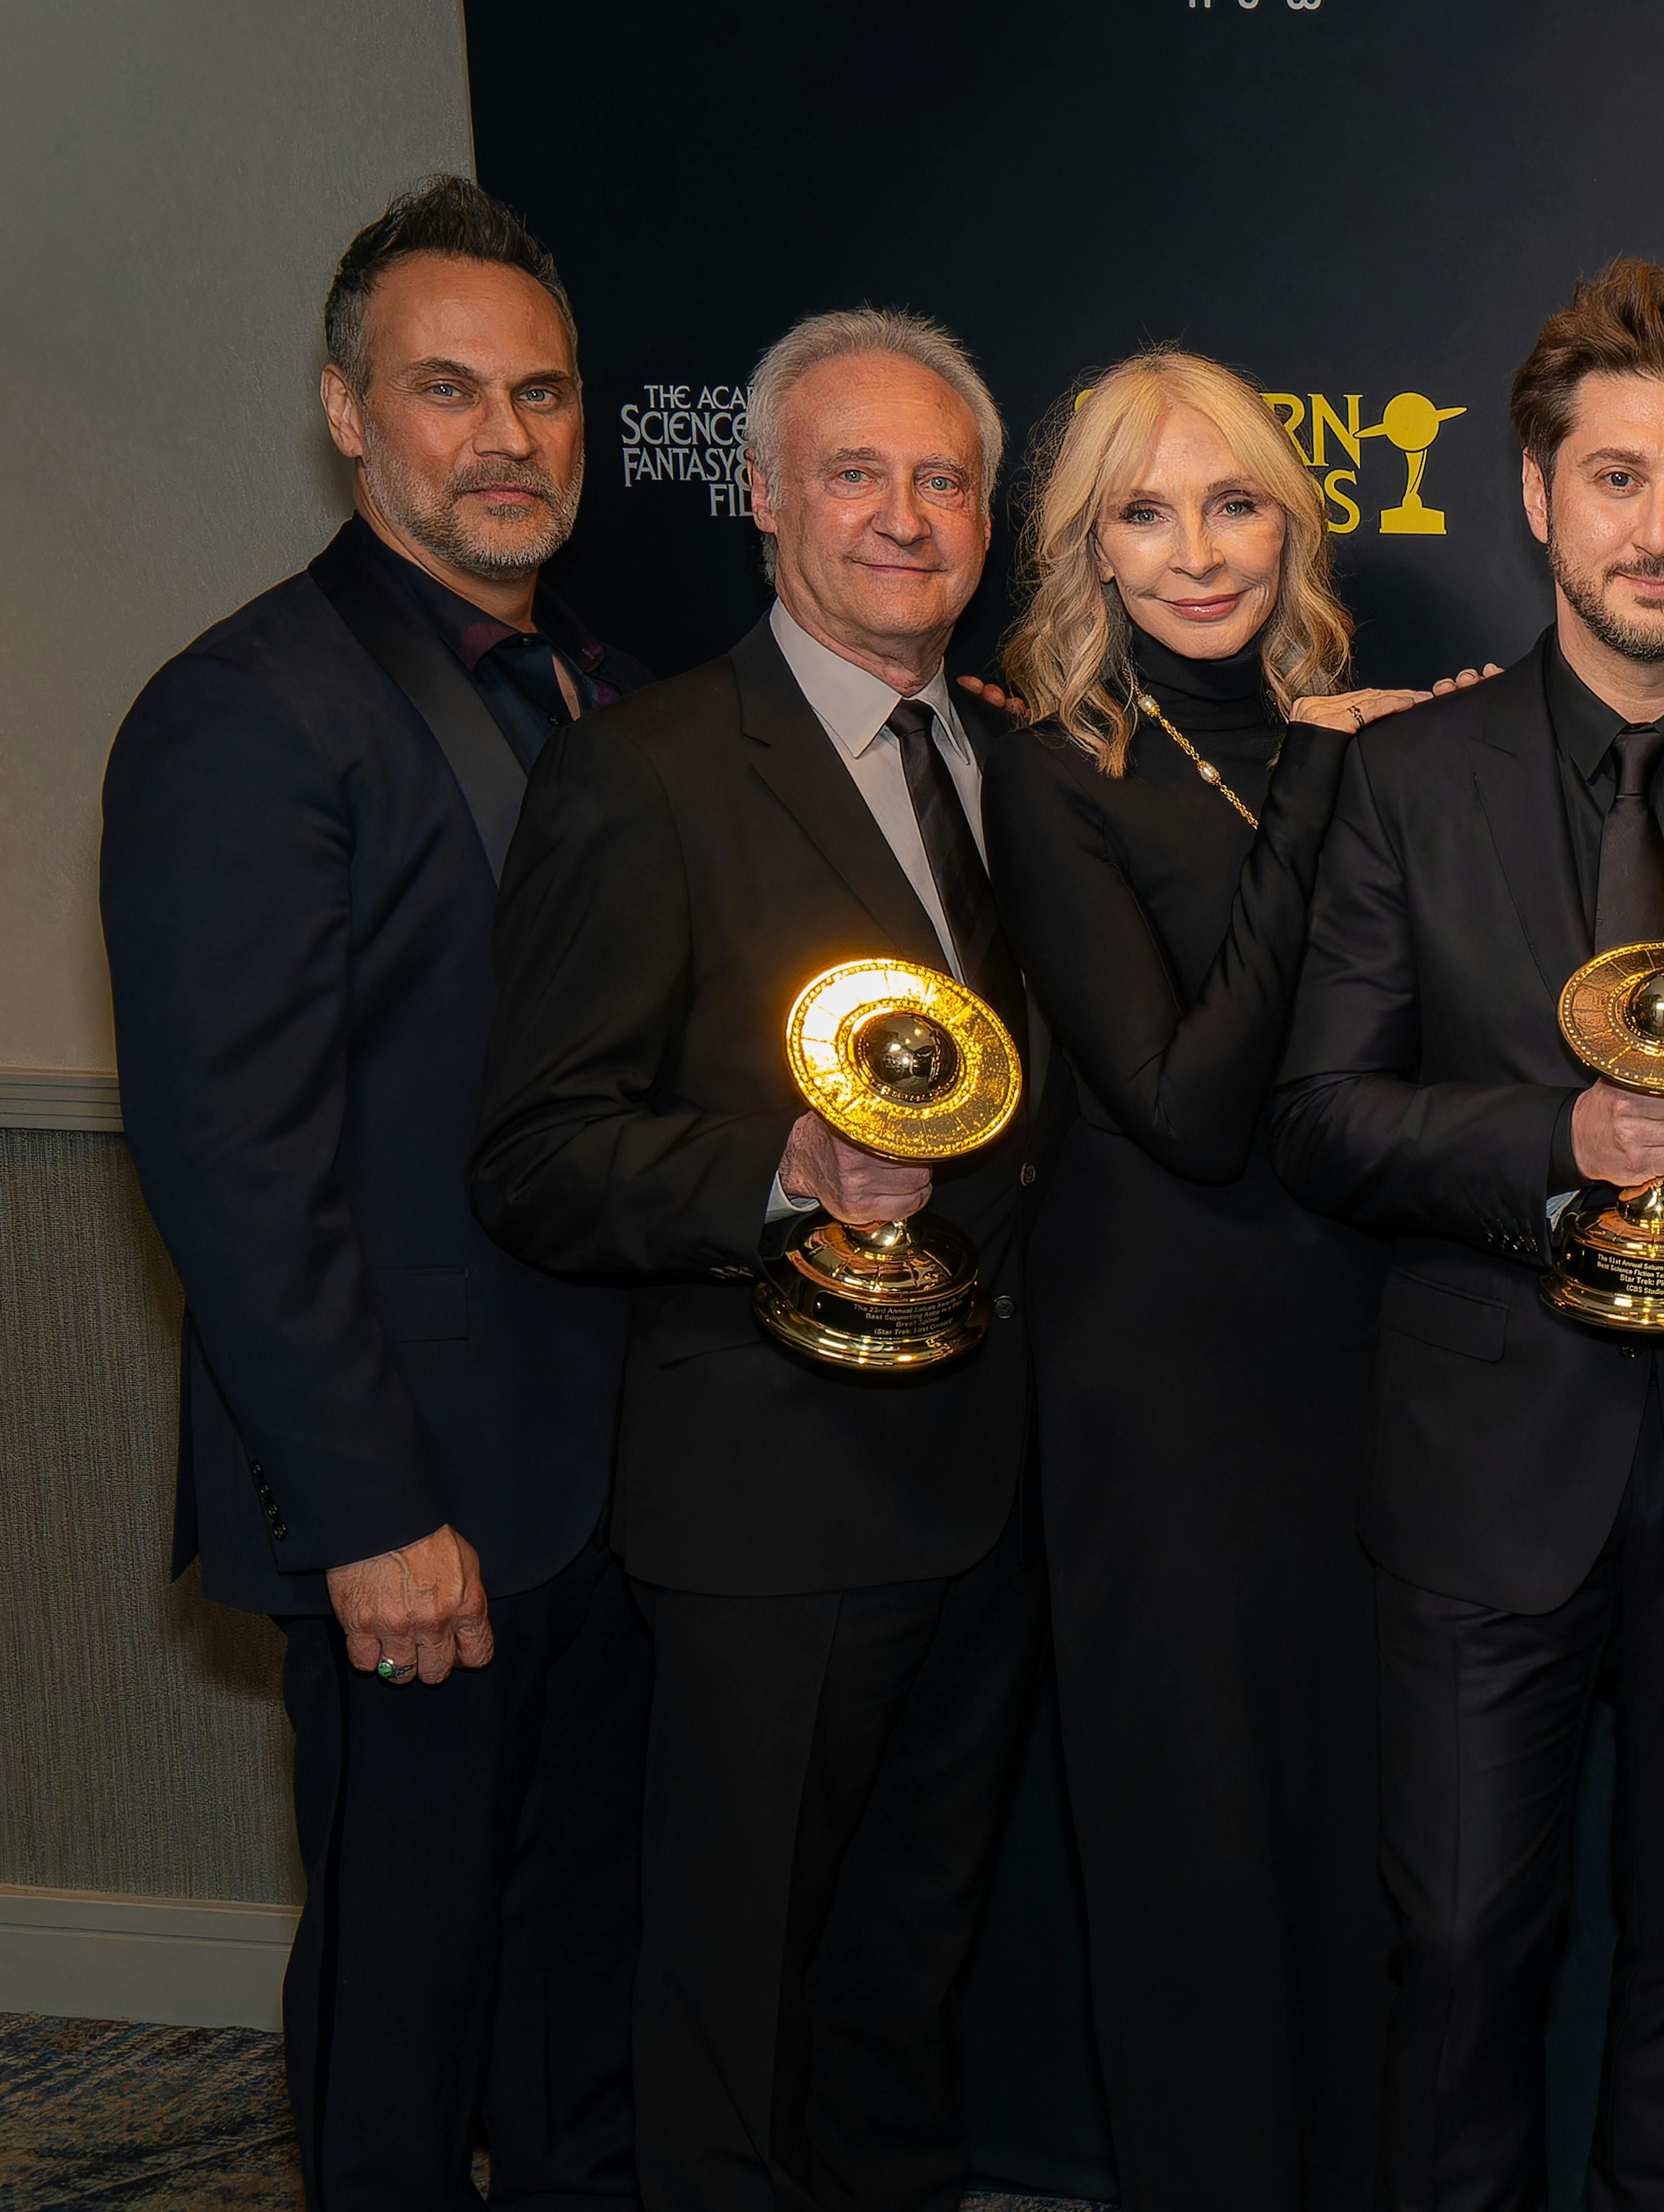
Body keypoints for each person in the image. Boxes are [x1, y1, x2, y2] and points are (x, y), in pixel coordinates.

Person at [1266, 258, 1664, 2212]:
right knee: (1462, 1952)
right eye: (1615, 479)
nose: (1660, 528)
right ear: (1536, 497)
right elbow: (1323, 1112)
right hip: (1484, 1473)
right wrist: (1557, 1137)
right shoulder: (1402, 778)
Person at [472, 306, 1060, 2212]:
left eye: (945, 479)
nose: (906, 516)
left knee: (904, 1996)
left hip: (986, 1490)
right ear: (761, 499)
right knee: (731, 2017)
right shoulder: (644, 774)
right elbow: (538, 1153)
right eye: (857, 472)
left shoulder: (1015, 764)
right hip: (765, 1511)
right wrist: (781, 1174)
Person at [100, 174, 644, 2212]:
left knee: (579, 1975)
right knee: (405, 2005)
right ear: (348, 412)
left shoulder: (592, 681)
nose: (504, 438)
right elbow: (235, 1157)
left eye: (543, 395)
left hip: (600, 1486)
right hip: (413, 1506)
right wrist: (367, 1512)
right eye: (446, 391)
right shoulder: (244, 712)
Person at [982, 350, 1475, 2210]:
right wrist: (1331, 796)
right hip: (1160, 1405)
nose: (1197, 554)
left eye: (1235, 504)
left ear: (1296, 517)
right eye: (1142, 512)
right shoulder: (1056, 771)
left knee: (1363, 1863)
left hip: (1364, 1371)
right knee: (1193, 1877)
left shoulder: (1362, 736)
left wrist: (1379, 768)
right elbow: (1191, 1101)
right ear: (1087, 550)